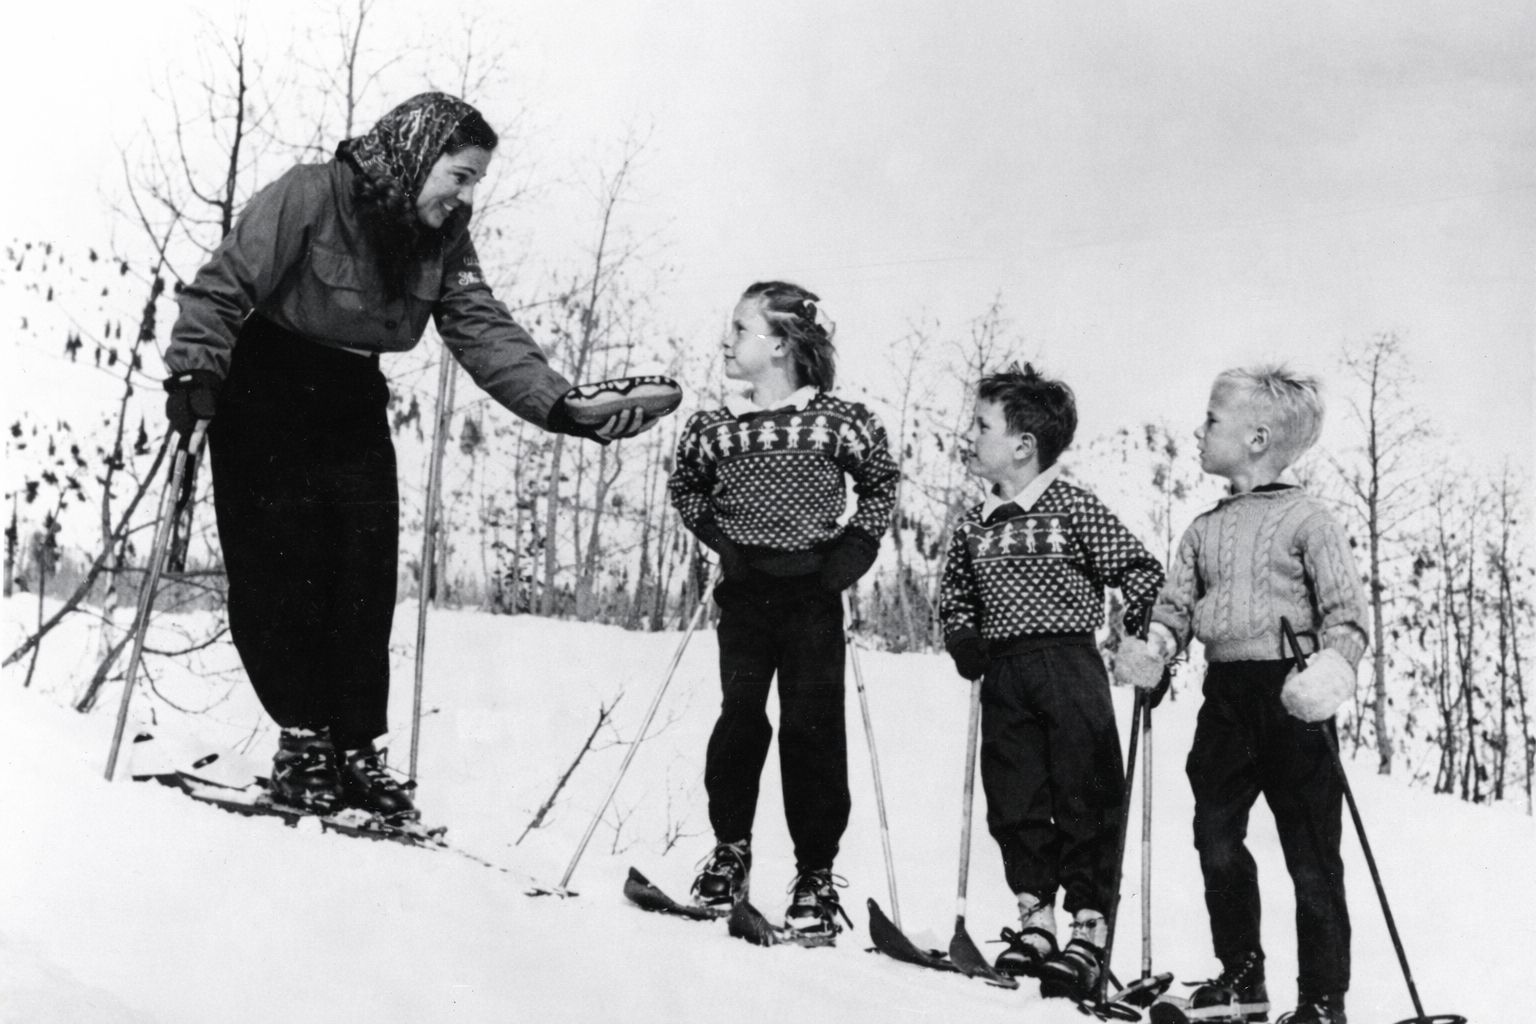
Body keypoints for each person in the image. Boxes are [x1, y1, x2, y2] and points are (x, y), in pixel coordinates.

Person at [162, 93, 666, 823]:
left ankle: (357, 751)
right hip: (265, 387)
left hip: (351, 398)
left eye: (474, 183)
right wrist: (194, 371)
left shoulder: (443, 239)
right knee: (278, 570)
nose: (465, 195)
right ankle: (304, 744)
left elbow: (480, 326)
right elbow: (222, 284)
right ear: (416, 153)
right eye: (459, 176)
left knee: (361, 575)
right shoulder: (312, 193)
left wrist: (561, 406)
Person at [1117, 365, 1367, 1024]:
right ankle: (1241, 978)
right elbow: (1173, 608)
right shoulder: (1203, 529)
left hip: (1292, 694)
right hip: (1226, 696)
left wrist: (1331, 673)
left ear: (1256, 439)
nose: (1200, 431)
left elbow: (1347, 617)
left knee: (1312, 857)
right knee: (1216, 837)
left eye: (1212, 421)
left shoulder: (1311, 520)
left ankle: (1321, 999)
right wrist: (1157, 649)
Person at [667, 281, 897, 939]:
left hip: (812, 594)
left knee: (812, 727)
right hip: (746, 592)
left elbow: (880, 481)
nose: (725, 342)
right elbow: (686, 487)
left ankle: (816, 872)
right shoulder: (713, 425)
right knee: (740, 720)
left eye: (739, 330)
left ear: (780, 343)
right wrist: (719, 539)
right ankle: (730, 851)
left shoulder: (840, 420)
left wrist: (855, 546)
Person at [938, 364, 1164, 999]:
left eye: (983, 425)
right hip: (1003, 671)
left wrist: (1142, 641)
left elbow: (1142, 571)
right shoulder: (972, 525)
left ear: (1023, 444)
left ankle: (1088, 932)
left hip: (1069, 665)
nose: (970, 435)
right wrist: (963, 636)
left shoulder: (1072, 508)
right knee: (1015, 795)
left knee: (1085, 791)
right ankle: (1034, 922)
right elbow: (956, 596)